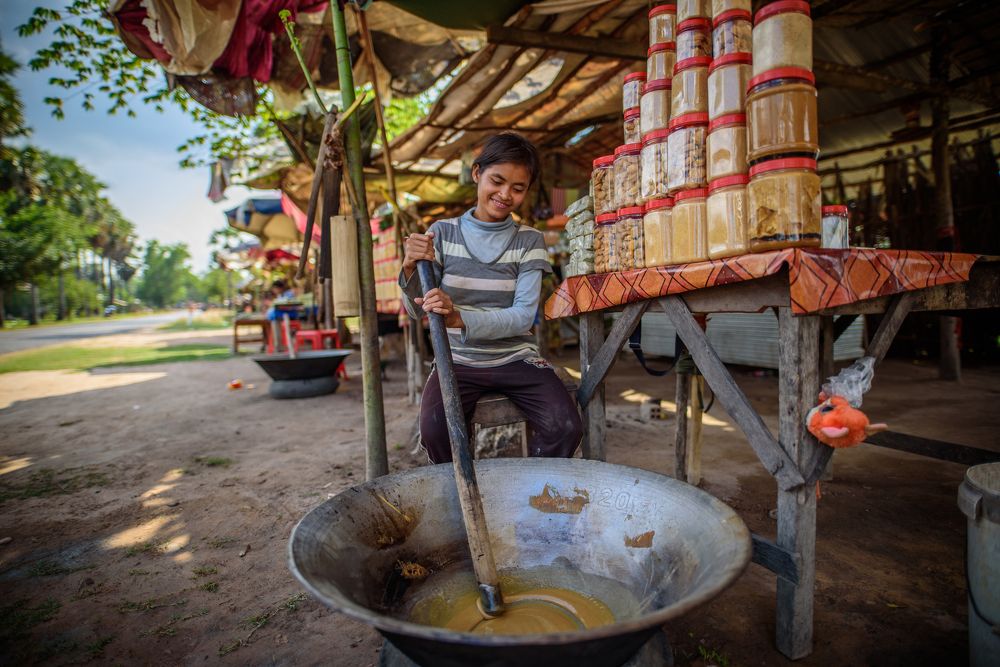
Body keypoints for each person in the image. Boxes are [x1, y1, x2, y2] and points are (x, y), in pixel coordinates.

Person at [399, 132, 583, 464]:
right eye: (496, 181)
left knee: (566, 427)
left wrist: (460, 318)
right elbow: (415, 312)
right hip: (456, 361)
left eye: (518, 188)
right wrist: (411, 267)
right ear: (477, 173)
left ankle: (532, 495)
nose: (504, 194)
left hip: (515, 358)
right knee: (436, 431)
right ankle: (461, 499)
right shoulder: (442, 233)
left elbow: (523, 317)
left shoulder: (529, 241)